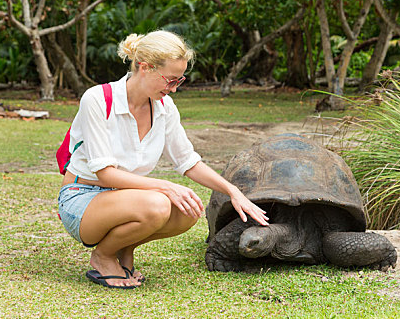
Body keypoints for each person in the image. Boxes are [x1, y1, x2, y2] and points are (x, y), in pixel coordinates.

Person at [57, 30, 269, 289]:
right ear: (144, 68)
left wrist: (231, 190)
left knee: (187, 210)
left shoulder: (165, 108)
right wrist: (166, 186)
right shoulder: (98, 99)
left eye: (179, 80)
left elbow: (188, 161)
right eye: (169, 80)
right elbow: (105, 174)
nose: (174, 89)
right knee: (159, 203)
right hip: (82, 197)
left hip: (127, 199)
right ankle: (102, 256)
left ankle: (124, 250)